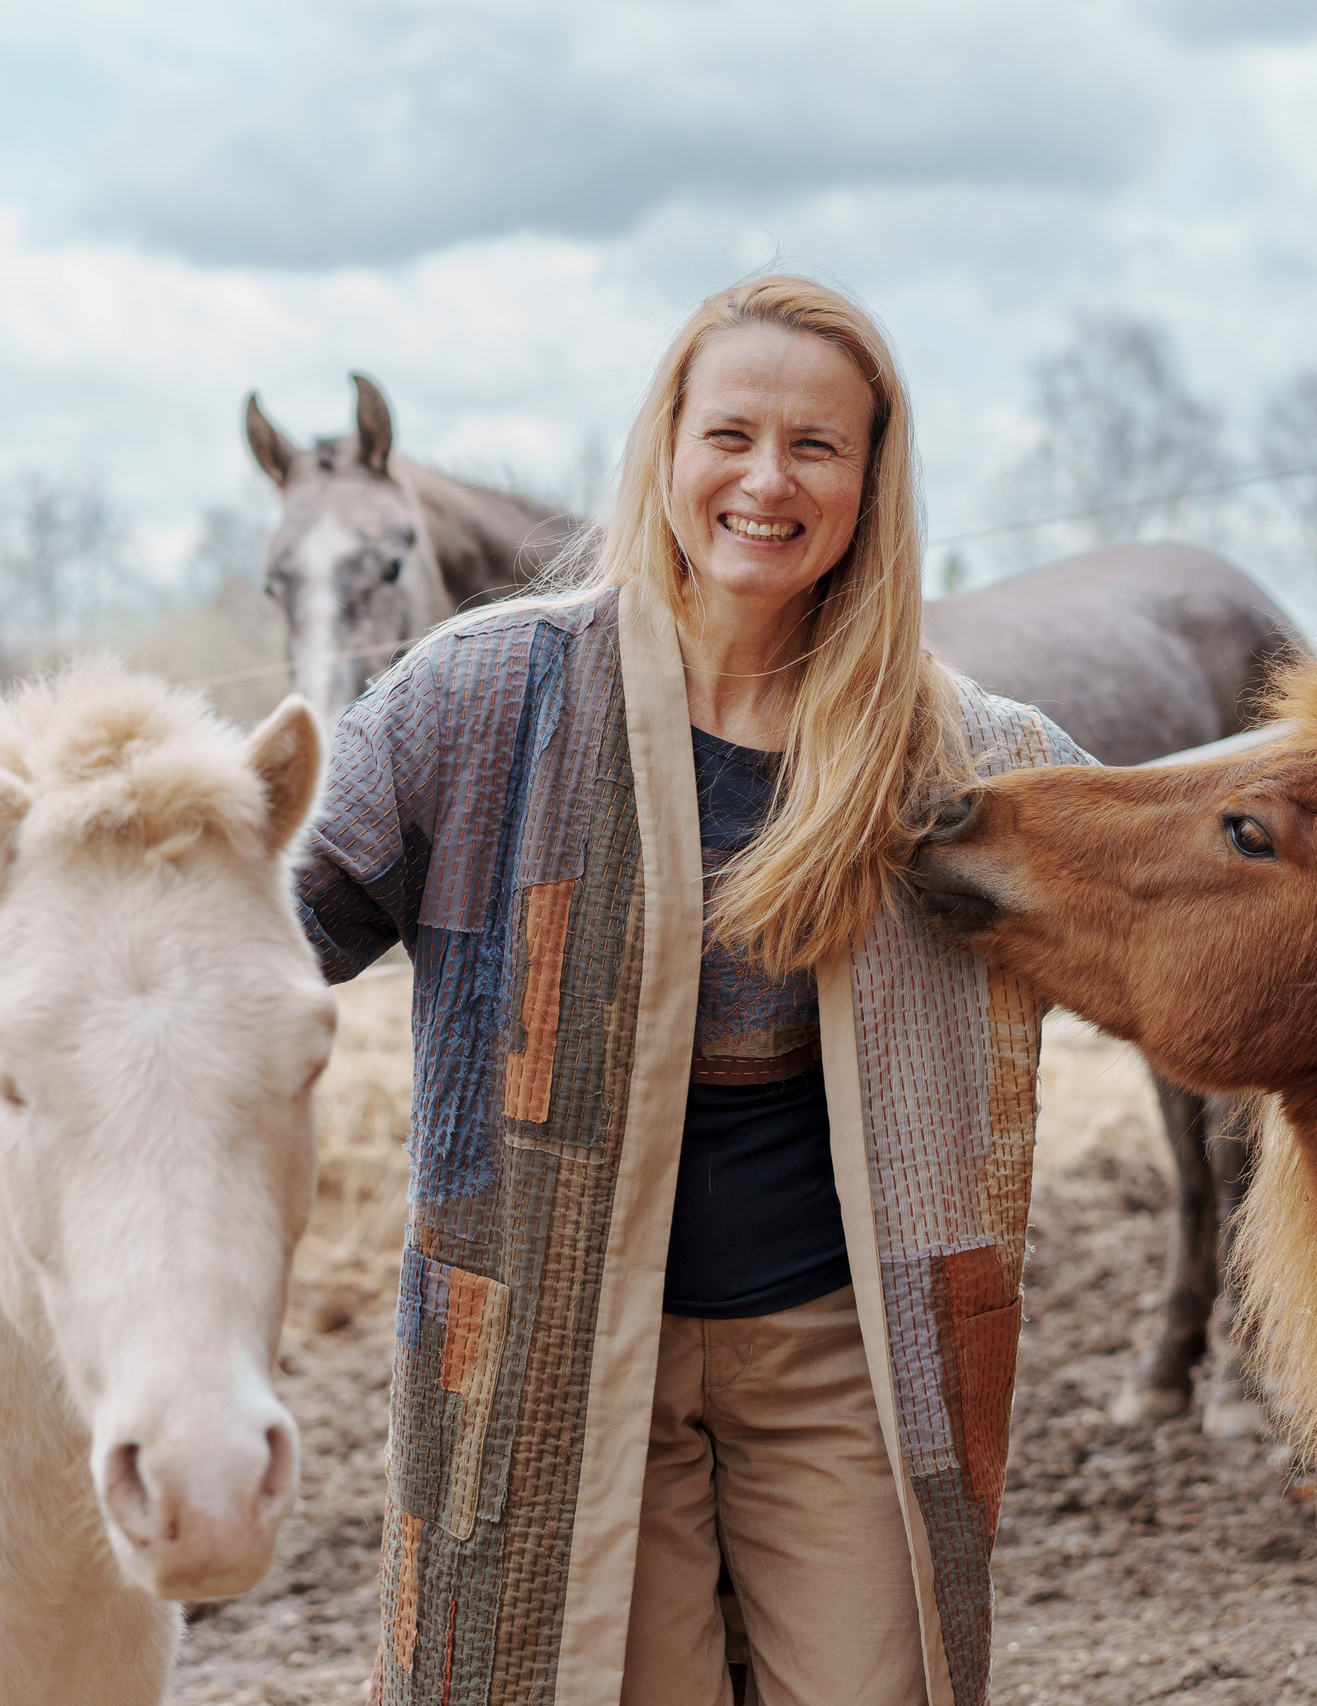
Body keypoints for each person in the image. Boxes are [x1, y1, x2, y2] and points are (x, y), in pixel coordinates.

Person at [294, 275, 1090, 1706]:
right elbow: (252, 926)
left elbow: (1177, 914)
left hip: (839, 1354)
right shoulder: (474, 705)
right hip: (564, 1352)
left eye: (817, 446)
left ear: (872, 479)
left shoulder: (965, 756)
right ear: (665, 447)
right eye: (730, 433)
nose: (766, 481)